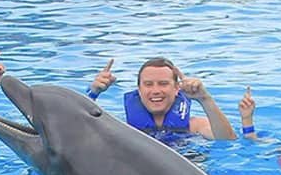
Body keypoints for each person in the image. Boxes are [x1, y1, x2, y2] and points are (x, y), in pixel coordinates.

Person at [85, 57, 238, 142]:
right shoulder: (124, 127)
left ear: (177, 88)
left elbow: (227, 140)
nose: (156, 91)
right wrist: (93, 94)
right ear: (139, 90)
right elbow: (81, 136)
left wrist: (205, 99)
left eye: (163, 84)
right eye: (148, 84)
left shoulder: (195, 126)